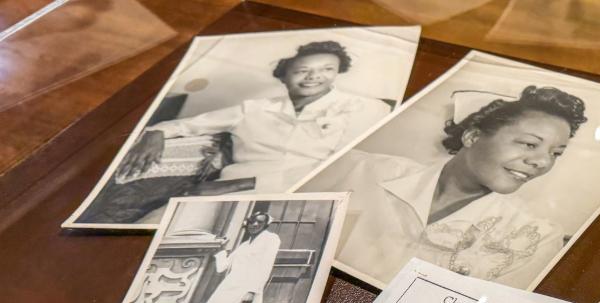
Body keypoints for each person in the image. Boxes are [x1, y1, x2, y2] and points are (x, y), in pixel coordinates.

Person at [302, 85, 588, 288]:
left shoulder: (534, 238)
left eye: (556, 153)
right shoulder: (357, 169)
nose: (542, 162)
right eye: (529, 143)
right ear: (473, 136)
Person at [82, 40, 391, 224]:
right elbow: (187, 125)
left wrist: (238, 185)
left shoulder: (367, 108)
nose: (315, 77)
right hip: (221, 193)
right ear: (284, 76)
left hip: (303, 196)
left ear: (338, 73)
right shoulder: (252, 109)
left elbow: (344, 167)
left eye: (326, 69)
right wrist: (156, 132)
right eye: (302, 70)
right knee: (152, 225)